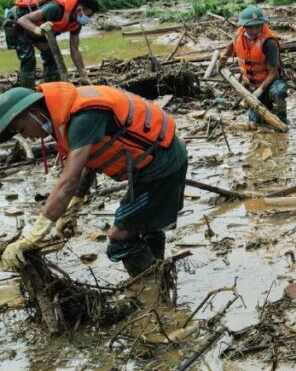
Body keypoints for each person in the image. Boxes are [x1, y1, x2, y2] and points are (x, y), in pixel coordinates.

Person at [0, 83, 187, 278]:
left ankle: (152, 288)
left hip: (162, 166)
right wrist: (74, 206)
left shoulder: (83, 118)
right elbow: (89, 166)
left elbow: (67, 183)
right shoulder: (68, 116)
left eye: (21, 129)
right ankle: (160, 279)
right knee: (143, 226)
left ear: (33, 112)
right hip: (158, 160)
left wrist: (33, 236)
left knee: (119, 236)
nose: (26, 137)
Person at [9, 0, 100, 89]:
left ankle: (53, 89)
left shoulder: (76, 23)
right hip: (19, 21)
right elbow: (22, 20)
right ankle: (26, 92)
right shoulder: (55, 8)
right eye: (89, 15)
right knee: (28, 58)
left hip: (39, 27)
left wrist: (83, 75)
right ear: (79, 10)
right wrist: (37, 30)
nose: (89, 19)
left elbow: (75, 50)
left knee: (51, 56)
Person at [221, 6, 289, 125]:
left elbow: (273, 73)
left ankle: (282, 120)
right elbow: (231, 44)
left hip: (270, 83)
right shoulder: (239, 35)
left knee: (279, 92)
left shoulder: (269, 43)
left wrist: (259, 91)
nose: (254, 31)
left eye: (257, 26)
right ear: (243, 26)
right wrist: (223, 58)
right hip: (251, 84)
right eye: (250, 27)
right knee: (256, 122)